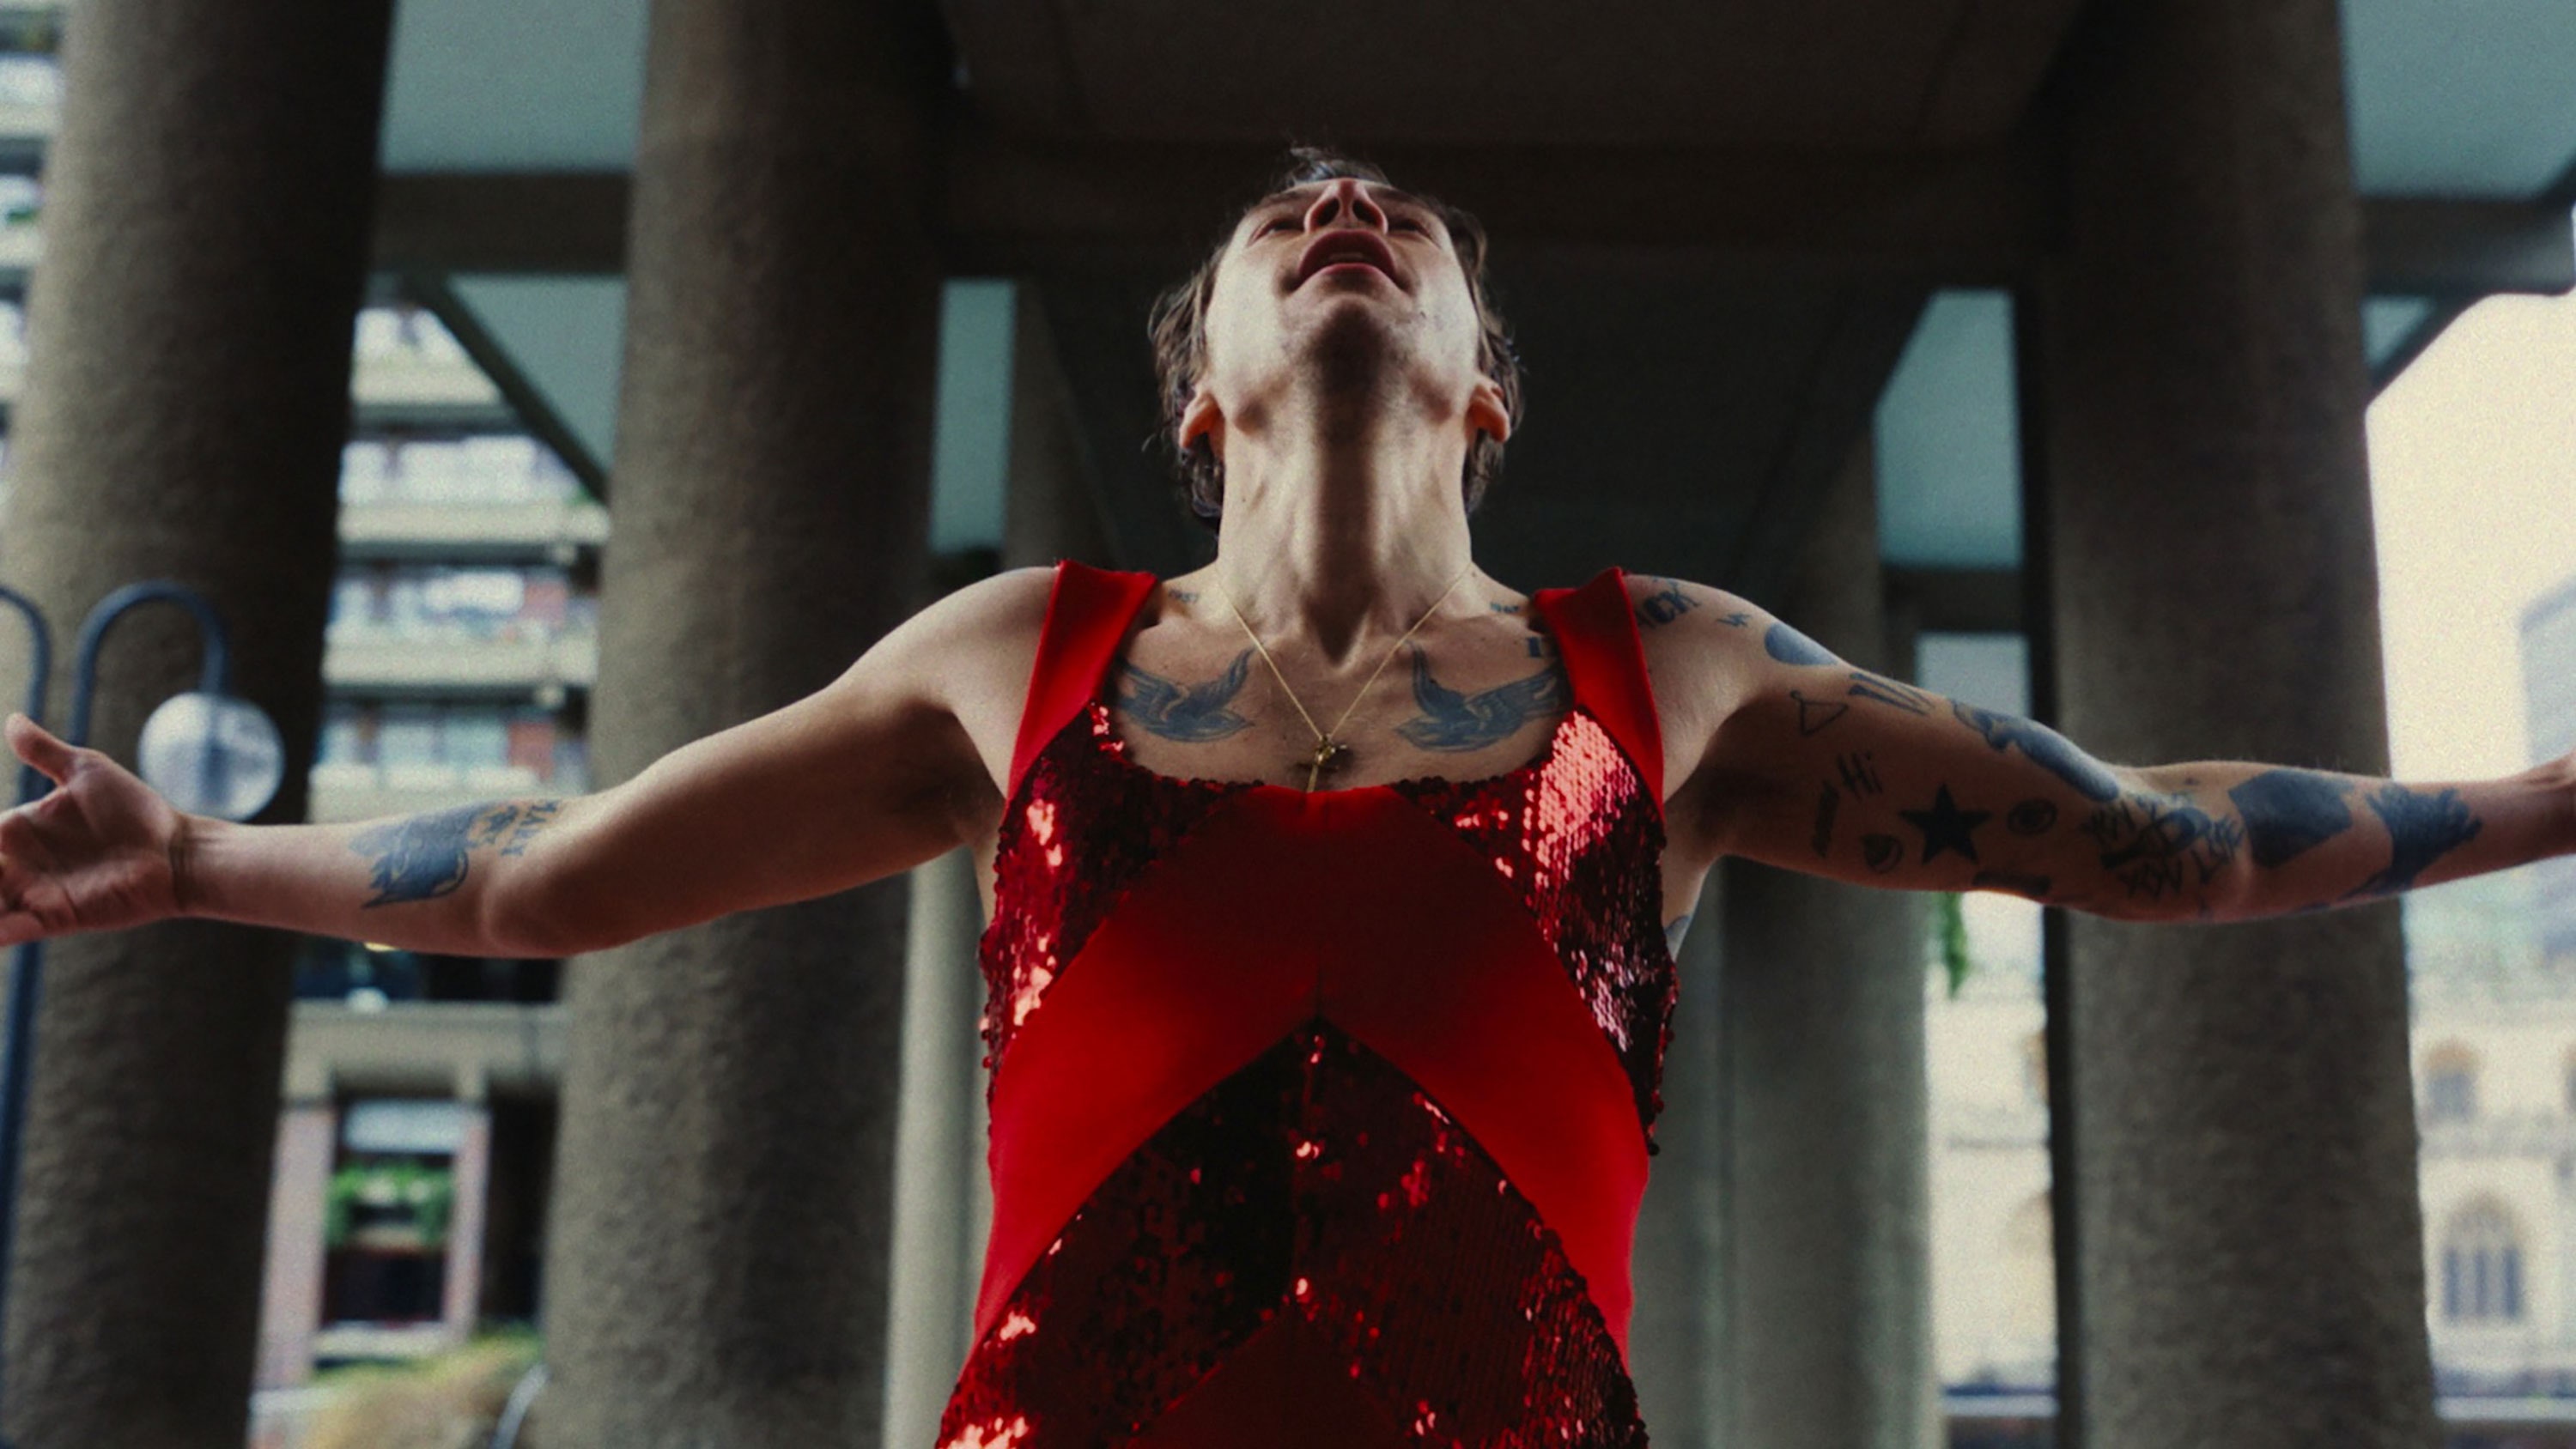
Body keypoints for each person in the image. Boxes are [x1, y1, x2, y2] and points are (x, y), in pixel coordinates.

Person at [2, 148, 2570, 1446]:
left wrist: (2559, 801)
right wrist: (192, 859)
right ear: (1200, 386)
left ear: (1484, 386)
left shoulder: (1665, 675)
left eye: (1405, 220)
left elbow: (2159, 837)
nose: (1345, 212)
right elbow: (554, 871)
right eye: (1283, 217)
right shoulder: (1023, 656)